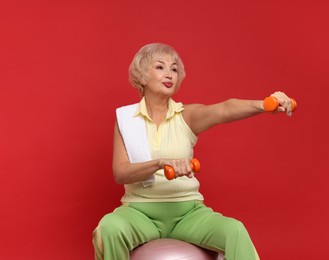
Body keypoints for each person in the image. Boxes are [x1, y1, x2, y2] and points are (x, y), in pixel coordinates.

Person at [92, 43, 294, 260]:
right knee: (109, 228)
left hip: (188, 214)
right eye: (160, 67)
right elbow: (121, 173)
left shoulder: (187, 116)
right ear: (141, 75)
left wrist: (264, 105)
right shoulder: (125, 118)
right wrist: (160, 163)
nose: (169, 74)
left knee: (234, 230)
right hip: (139, 213)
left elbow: (224, 109)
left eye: (174, 69)